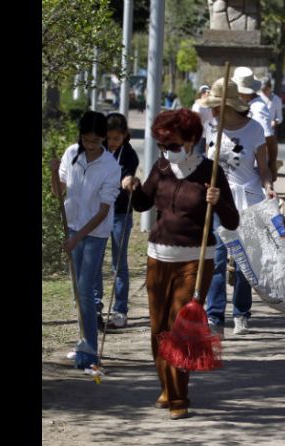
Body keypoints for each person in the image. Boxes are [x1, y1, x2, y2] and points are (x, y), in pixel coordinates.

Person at [122, 108, 239, 420]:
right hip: (157, 257)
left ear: (191, 141)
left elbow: (232, 220)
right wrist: (132, 185)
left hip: (195, 261)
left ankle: (179, 397)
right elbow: (145, 203)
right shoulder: (161, 168)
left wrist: (219, 201)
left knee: (179, 329)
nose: (166, 152)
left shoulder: (210, 172)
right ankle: (166, 387)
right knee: (157, 329)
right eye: (161, 145)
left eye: (172, 146)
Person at [200, 78, 278, 336]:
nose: (211, 110)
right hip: (218, 200)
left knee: (245, 261)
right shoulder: (210, 128)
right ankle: (214, 315)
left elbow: (264, 169)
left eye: (215, 106)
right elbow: (202, 167)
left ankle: (242, 313)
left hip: (249, 198)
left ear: (228, 106)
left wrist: (269, 187)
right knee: (218, 258)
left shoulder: (254, 129)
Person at [50, 111, 121, 369]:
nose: (90, 146)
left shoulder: (111, 166)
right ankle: (83, 340)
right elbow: (58, 190)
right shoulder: (71, 154)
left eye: (95, 141)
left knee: (85, 288)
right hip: (73, 225)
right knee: (77, 291)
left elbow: (103, 211)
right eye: (86, 140)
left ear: (103, 138)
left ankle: (90, 350)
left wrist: (77, 238)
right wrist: (52, 172)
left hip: (95, 232)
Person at [95, 113, 140, 329]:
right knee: (95, 260)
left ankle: (120, 310)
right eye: (109, 138)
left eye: (116, 138)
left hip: (121, 213)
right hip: (98, 213)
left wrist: (128, 181)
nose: (111, 142)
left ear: (124, 136)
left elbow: (128, 176)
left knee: (118, 263)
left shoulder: (130, 155)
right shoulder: (97, 151)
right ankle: (95, 306)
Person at [232, 67, 280, 182]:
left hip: (254, 166)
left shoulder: (258, 108)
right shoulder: (244, 104)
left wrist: (272, 165)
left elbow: (268, 139)